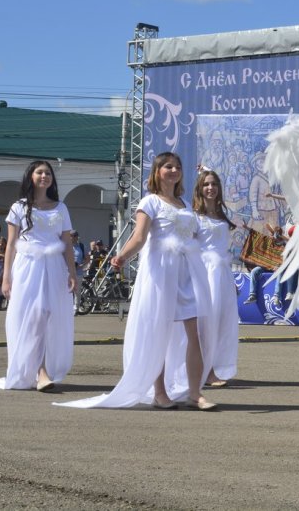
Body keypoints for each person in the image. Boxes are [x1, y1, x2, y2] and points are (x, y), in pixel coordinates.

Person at [56, 152, 216, 411]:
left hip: (188, 274)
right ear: (157, 171)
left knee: (195, 335)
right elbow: (139, 237)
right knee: (158, 334)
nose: (173, 170)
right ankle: (160, 392)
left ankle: (195, 393)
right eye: (167, 166)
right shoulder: (150, 202)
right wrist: (121, 257)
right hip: (162, 274)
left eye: (177, 167)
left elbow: (195, 238)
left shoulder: (185, 204)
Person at [0, 160, 77, 391]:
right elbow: (11, 244)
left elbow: (67, 243)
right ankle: (39, 372)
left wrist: (72, 272)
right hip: (27, 266)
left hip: (53, 266)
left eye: (48, 173)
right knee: (34, 314)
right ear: (30, 176)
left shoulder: (60, 207)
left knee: (49, 314)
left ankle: (41, 370)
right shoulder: (19, 207)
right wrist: (6, 277)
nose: (45, 176)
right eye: (40, 172)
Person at [193, 170, 239, 387]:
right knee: (205, 323)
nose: (210, 188)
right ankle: (207, 371)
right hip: (205, 273)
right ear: (200, 188)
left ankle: (214, 366)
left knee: (221, 324)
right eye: (206, 184)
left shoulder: (221, 216)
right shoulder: (194, 216)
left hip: (222, 274)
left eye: (214, 184)